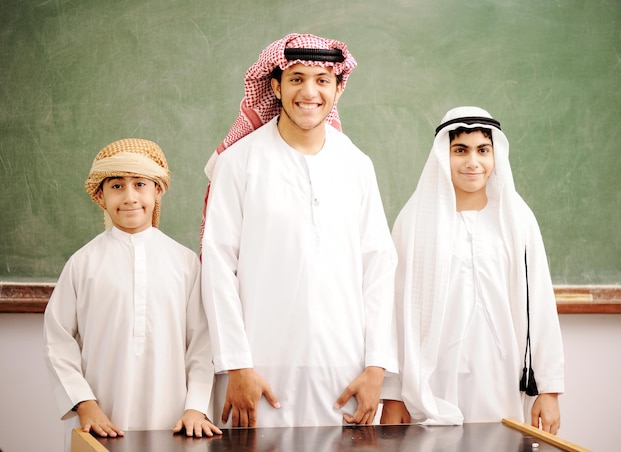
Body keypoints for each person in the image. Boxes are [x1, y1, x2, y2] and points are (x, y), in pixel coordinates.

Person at [200, 33, 398, 428]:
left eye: (322, 80)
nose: (309, 92)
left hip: (345, 371)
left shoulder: (357, 165)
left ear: (339, 88)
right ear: (274, 86)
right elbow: (218, 268)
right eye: (296, 78)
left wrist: (376, 367)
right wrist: (237, 365)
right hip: (260, 369)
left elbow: (377, 267)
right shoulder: (238, 163)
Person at [381, 107, 564, 434]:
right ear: (442, 155)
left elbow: (540, 307)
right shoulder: (414, 223)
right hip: (432, 381)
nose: (472, 162)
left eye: (483, 150)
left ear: (496, 156)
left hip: (500, 376)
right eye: (460, 150)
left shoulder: (517, 221)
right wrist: (393, 394)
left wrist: (548, 390)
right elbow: (394, 314)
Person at [43, 138, 221, 451]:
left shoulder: (185, 263)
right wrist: (84, 403)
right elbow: (58, 341)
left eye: (140, 184)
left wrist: (196, 406)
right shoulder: (82, 263)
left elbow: (202, 343)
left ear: (158, 191)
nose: (129, 197)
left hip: (176, 422)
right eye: (116, 186)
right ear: (100, 195)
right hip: (102, 422)